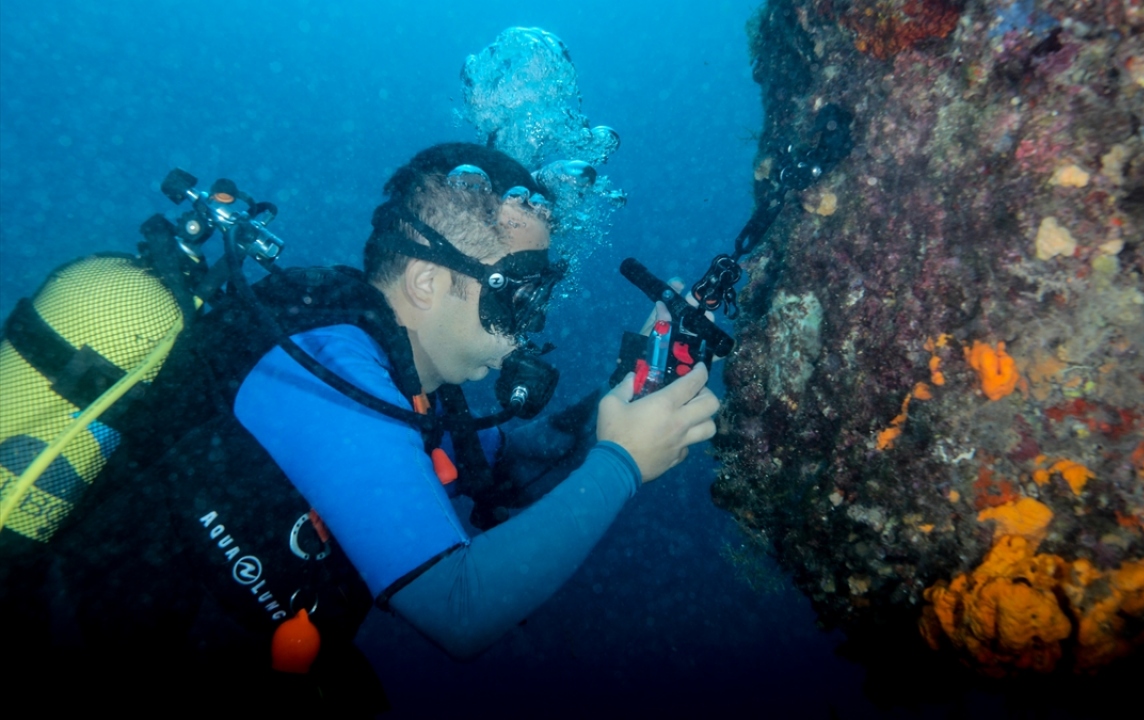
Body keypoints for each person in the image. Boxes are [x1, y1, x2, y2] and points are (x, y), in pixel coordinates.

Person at [42, 143, 720, 711]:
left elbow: (520, 476)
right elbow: (459, 610)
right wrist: (622, 464)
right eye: (518, 296)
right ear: (427, 282)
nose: (529, 330)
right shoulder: (324, 368)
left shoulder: (422, 393)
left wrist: (632, 385)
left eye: (538, 299)